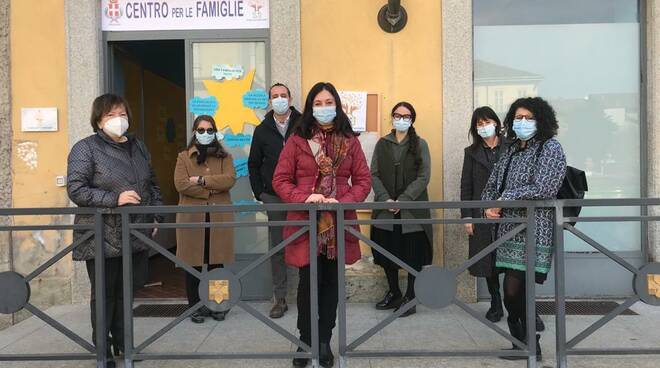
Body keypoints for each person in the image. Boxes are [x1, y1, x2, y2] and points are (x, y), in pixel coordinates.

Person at [272, 82, 371, 368]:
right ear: (310, 106)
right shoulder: (297, 139)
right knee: (307, 284)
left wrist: (344, 200)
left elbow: (363, 181)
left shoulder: (350, 140)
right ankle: (306, 341)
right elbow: (281, 180)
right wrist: (306, 197)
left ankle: (325, 340)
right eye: (319, 102)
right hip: (306, 224)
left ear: (337, 106)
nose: (324, 108)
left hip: (337, 224)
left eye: (329, 102)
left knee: (331, 283)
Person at [67, 93, 162, 367]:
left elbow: (152, 185)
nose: (118, 120)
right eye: (110, 115)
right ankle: (103, 351)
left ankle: (124, 344)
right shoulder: (85, 149)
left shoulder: (138, 147)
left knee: (127, 293)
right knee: (105, 294)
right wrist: (114, 199)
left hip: (134, 232)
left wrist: (154, 216)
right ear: (98, 120)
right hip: (100, 234)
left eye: (121, 114)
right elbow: (76, 189)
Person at [482, 97, 567, 361]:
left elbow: (544, 188)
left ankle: (530, 344)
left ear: (541, 120)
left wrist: (504, 198)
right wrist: (488, 205)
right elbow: (492, 184)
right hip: (507, 232)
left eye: (528, 117)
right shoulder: (510, 150)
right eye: (518, 117)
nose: (522, 122)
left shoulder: (550, 148)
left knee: (514, 290)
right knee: (511, 292)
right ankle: (524, 343)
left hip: (535, 231)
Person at [370, 102, 432, 318]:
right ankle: (394, 292)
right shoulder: (382, 144)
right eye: (398, 115)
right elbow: (374, 174)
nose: (401, 119)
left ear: (412, 120)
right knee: (387, 251)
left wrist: (403, 200)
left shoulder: (420, 144)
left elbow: (424, 177)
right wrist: (385, 198)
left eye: (406, 116)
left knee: (413, 254)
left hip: (412, 210)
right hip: (386, 209)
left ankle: (410, 297)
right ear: (392, 118)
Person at [174, 115, 236, 324]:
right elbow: (181, 184)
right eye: (201, 130)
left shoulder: (225, 157)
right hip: (192, 218)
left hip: (219, 217)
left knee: (217, 264)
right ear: (194, 132)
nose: (205, 134)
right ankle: (195, 307)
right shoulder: (183, 157)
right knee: (194, 264)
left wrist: (201, 180)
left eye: (210, 130)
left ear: (215, 132)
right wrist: (209, 192)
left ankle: (218, 306)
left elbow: (229, 180)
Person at [248, 83, 302, 319]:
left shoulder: (304, 124)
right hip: (274, 197)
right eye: (275, 96)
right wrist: (261, 193)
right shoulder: (262, 130)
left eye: (283, 95)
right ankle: (279, 298)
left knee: (304, 244)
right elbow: (253, 163)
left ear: (290, 98)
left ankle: (306, 294)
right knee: (278, 247)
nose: (279, 99)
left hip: (301, 196)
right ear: (269, 101)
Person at [460, 106, 506, 322]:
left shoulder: (511, 147)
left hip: (510, 213)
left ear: (496, 123)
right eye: (479, 124)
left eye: (487, 122)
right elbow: (466, 186)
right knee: (488, 261)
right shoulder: (471, 153)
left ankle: (525, 308)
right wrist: (467, 217)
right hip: (482, 215)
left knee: (515, 263)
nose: (484, 127)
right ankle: (496, 302)